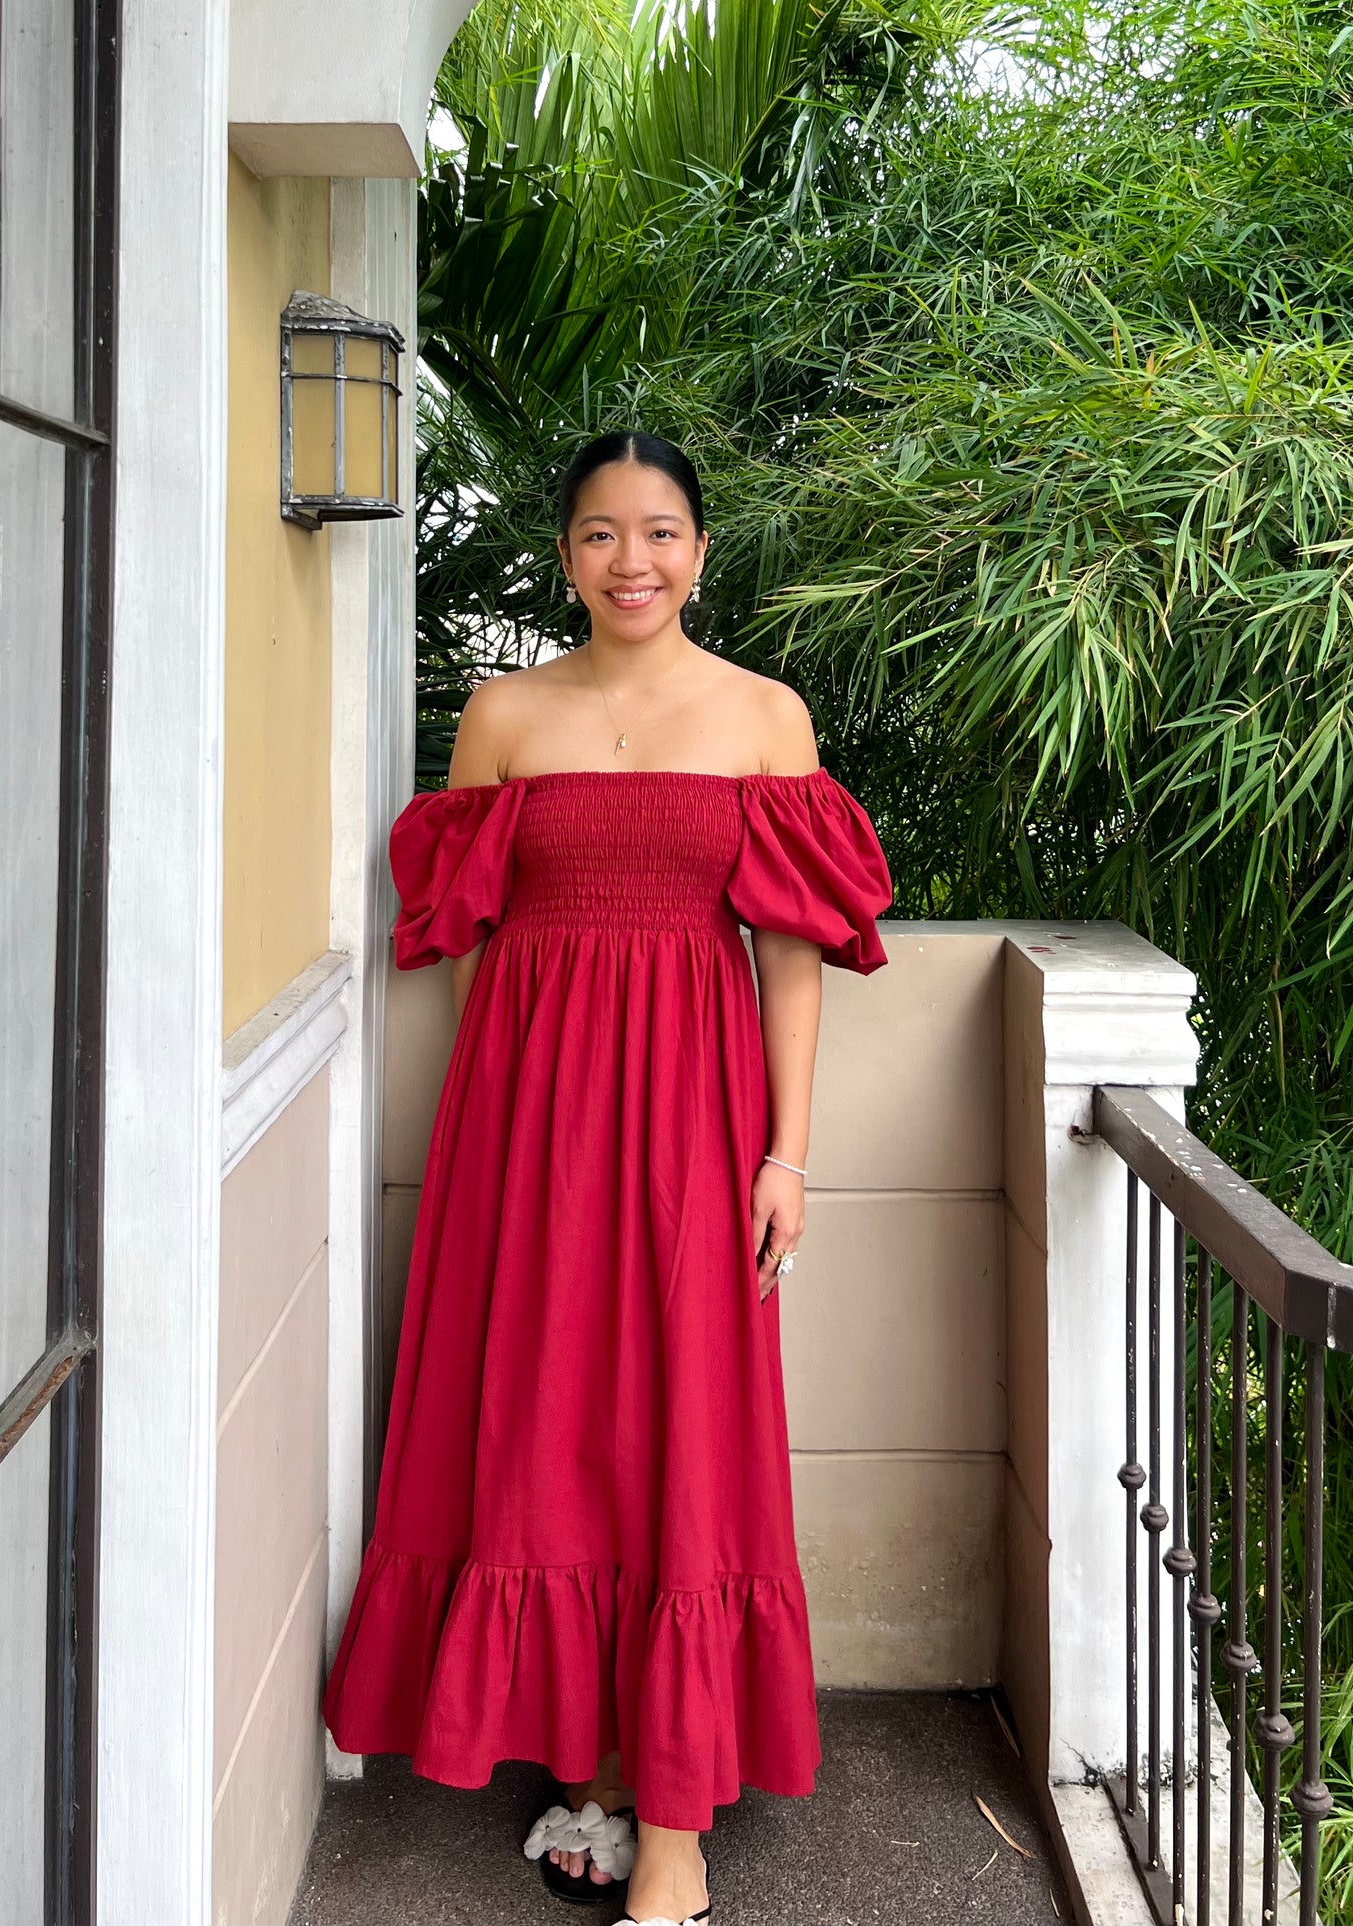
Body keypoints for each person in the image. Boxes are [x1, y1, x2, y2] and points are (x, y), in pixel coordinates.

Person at [322, 430, 893, 1926]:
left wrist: (787, 1152)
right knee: (546, 1421)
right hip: (524, 1125)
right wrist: (487, 1137)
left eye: (657, 531)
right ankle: (592, 1755)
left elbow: (791, 958)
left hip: (699, 1123)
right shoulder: (502, 717)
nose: (628, 559)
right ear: (563, 554)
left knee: (685, 1432)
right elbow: (464, 953)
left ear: (699, 551)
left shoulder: (767, 717)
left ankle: (676, 1824)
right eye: (595, 533)